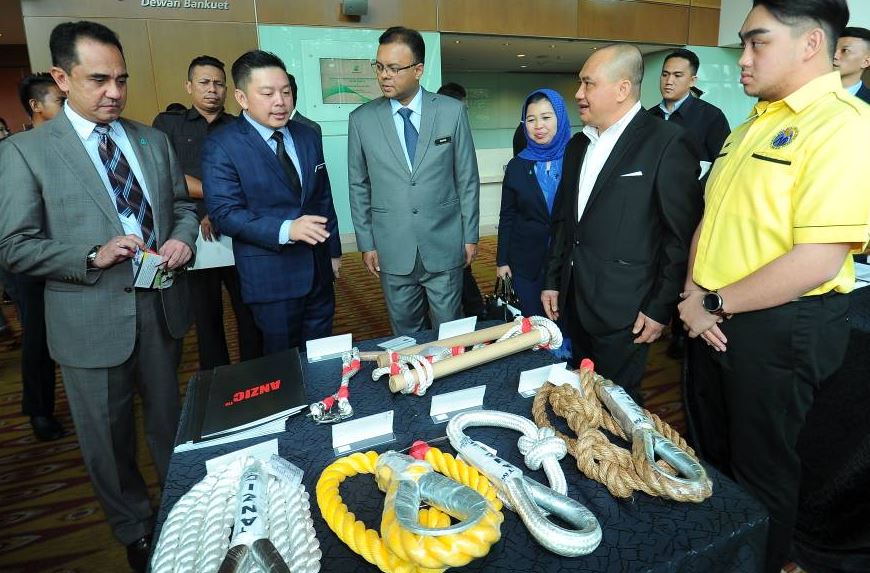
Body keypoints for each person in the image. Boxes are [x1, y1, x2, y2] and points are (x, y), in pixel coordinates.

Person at [676, 1, 870, 571]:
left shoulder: (844, 126)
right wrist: (693, 295)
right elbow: (710, 222)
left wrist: (712, 302)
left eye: (757, 42)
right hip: (711, 314)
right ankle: (716, 552)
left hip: (777, 324)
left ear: (810, 45)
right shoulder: (752, 125)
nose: (742, 58)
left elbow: (817, 257)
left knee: (762, 471)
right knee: (711, 453)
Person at [0, 21, 198, 573]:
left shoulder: (152, 141)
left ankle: (185, 509)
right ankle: (133, 527)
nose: (114, 91)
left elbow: (181, 207)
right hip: (88, 318)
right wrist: (91, 255)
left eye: (122, 79)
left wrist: (182, 240)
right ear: (62, 78)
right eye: (98, 80)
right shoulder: (27, 153)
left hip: (159, 307)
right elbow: (13, 247)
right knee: (108, 442)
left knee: (169, 424)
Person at [541, 44, 702, 404]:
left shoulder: (667, 142)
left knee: (619, 405)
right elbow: (565, 222)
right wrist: (553, 280)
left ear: (622, 88)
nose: (578, 94)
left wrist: (660, 306)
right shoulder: (577, 145)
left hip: (628, 309)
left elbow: (679, 236)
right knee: (583, 396)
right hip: (575, 298)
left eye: (588, 84)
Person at [202, 50, 341, 354]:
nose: (280, 101)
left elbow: (323, 196)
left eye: (286, 92)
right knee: (282, 365)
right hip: (271, 279)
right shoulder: (222, 144)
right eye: (267, 93)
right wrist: (286, 229)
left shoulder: (307, 135)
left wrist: (333, 252)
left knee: (324, 357)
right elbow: (224, 213)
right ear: (241, 97)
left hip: (319, 271)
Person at [349, 26, 480, 335]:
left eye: (394, 68)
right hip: (391, 246)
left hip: (445, 241)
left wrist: (470, 235)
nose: (384, 75)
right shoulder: (362, 119)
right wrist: (366, 242)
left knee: (451, 332)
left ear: (419, 69)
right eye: (379, 67)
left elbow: (466, 178)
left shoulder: (451, 112)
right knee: (405, 334)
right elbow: (359, 186)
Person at [153, 55, 262, 369]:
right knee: (205, 315)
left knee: (249, 309)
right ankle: (218, 382)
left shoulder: (242, 127)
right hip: (191, 233)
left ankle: (255, 374)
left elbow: (253, 177)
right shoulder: (168, 124)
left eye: (218, 83)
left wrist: (219, 210)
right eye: (204, 82)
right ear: (189, 86)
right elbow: (169, 178)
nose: (212, 89)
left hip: (238, 230)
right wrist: (219, 200)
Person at [647, 48, 731, 359]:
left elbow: (722, 167)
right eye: (665, 74)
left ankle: (682, 331)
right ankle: (655, 317)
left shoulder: (710, 117)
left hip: (693, 213)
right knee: (655, 265)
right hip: (652, 211)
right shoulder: (649, 117)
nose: (669, 81)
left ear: (692, 79)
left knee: (684, 267)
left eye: (677, 75)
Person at [12, 73, 64, 440]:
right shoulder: (18, 151)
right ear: (36, 106)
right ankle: (40, 410)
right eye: (61, 101)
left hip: (78, 257)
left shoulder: (72, 146)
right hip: (33, 261)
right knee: (39, 337)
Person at [497, 89, 571, 317]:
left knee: (566, 324)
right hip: (526, 262)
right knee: (532, 324)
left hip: (568, 262)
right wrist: (502, 261)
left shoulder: (577, 158)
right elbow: (507, 216)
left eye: (546, 117)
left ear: (560, 118)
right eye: (531, 119)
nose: (538, 125)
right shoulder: (517, 165)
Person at [436, 81, 484, 319]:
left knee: (461, 276)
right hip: (443, 226)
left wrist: (469, 234)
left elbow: (468, 184)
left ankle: (477, 316)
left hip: (455, 227)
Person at [835, 26, 870, 103]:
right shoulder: (809, 91)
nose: (834, 56)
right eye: (833, 49)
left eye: (845, 51)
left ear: (866, 62)